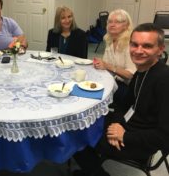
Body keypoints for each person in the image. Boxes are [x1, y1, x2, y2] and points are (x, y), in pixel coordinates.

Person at [72, 23, 169, 176]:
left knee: (75, 137)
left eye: (147, 46)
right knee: (81, 122)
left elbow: (165, 137)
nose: (138, 51)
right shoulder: (141, 71)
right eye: (134, 44)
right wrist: (117, 124)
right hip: (127, 125)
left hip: (140, 141)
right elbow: (123, 105)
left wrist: (124, 136)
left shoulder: (164, 80)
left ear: (160, 49)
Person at [93, 9, 136, 110]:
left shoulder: (130, 44)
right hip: (114, 81)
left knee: (95, 96)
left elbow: (130, 75)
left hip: (128, 87)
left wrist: (107, 66)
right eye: (110, 21)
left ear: (126, 25)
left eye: (117, 22)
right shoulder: (110, 40)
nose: (112, 25)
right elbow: (106, 65)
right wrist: (100, 64)